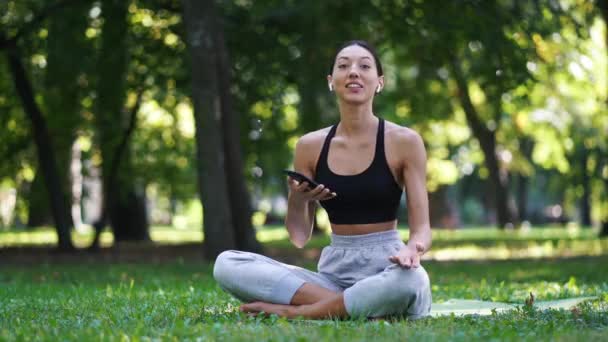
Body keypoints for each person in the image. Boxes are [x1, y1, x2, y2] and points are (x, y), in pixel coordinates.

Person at [213, 40, 432, 320]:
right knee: (227, 264)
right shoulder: (309, 146)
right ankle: (359, 307)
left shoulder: (405, 141)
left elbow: (422, 227)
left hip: (388, 270)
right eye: (343, 66)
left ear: (379, 82)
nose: (353, 72)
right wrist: (297, 199)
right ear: (331, 81)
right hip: (333, 275)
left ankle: (296, 313)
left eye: (364, 66)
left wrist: (413, 249)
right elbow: (299, 237)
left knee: (410, 282)